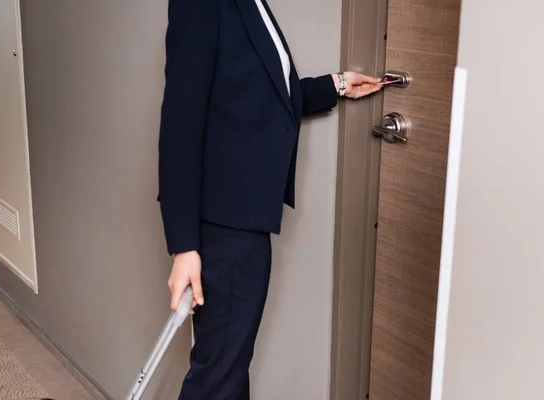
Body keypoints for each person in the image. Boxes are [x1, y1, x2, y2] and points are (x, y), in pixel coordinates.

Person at [157, 0, 382, 398]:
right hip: (223, 225)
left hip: (245, 219)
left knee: (228, 366)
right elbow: (180, 120)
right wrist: (184, 246)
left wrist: (337, 84)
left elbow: (259, 95)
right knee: (219, 375)